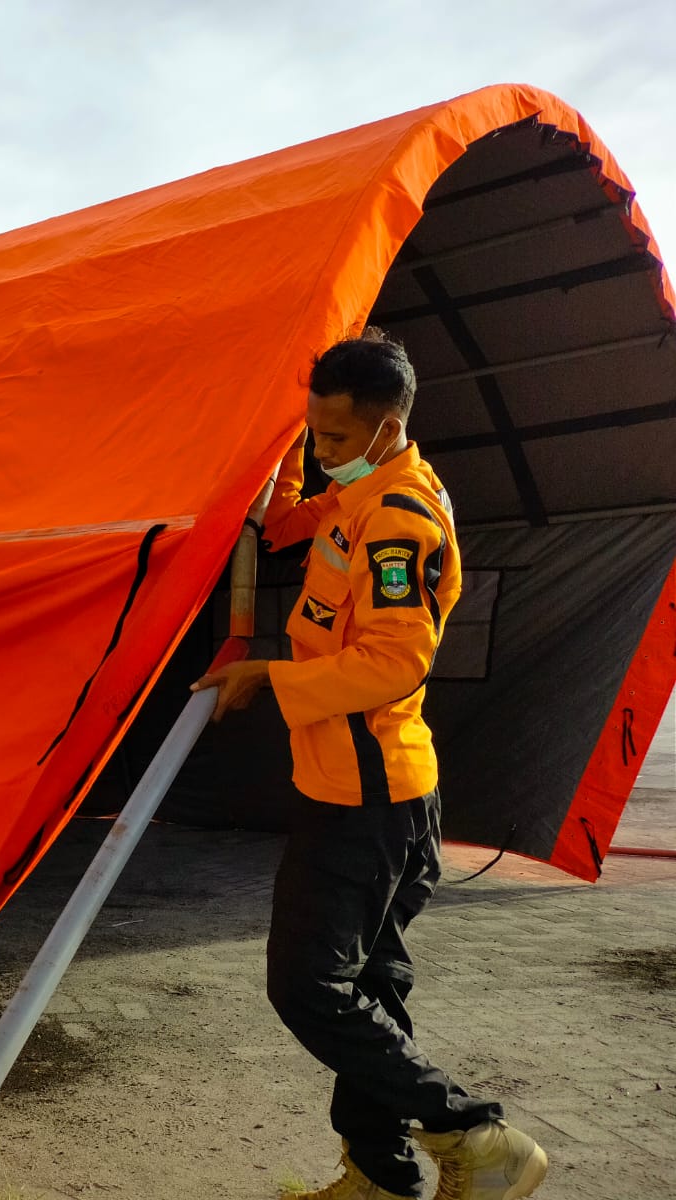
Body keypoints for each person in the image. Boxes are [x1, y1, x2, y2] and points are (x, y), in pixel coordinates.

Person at [193, 330, 547, 1200]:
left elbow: (396, 662)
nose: (324, 454)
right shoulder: (357, 493)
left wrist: (270, 675)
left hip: (365, 798)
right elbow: (279, 525)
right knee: (372, 991)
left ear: (388, 428)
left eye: (337, 440)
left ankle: (476, 1136)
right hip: (368, 789)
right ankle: (380, 1178)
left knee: (307, 989)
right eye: (314, 434)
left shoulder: (397, 518)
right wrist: (285, 446)